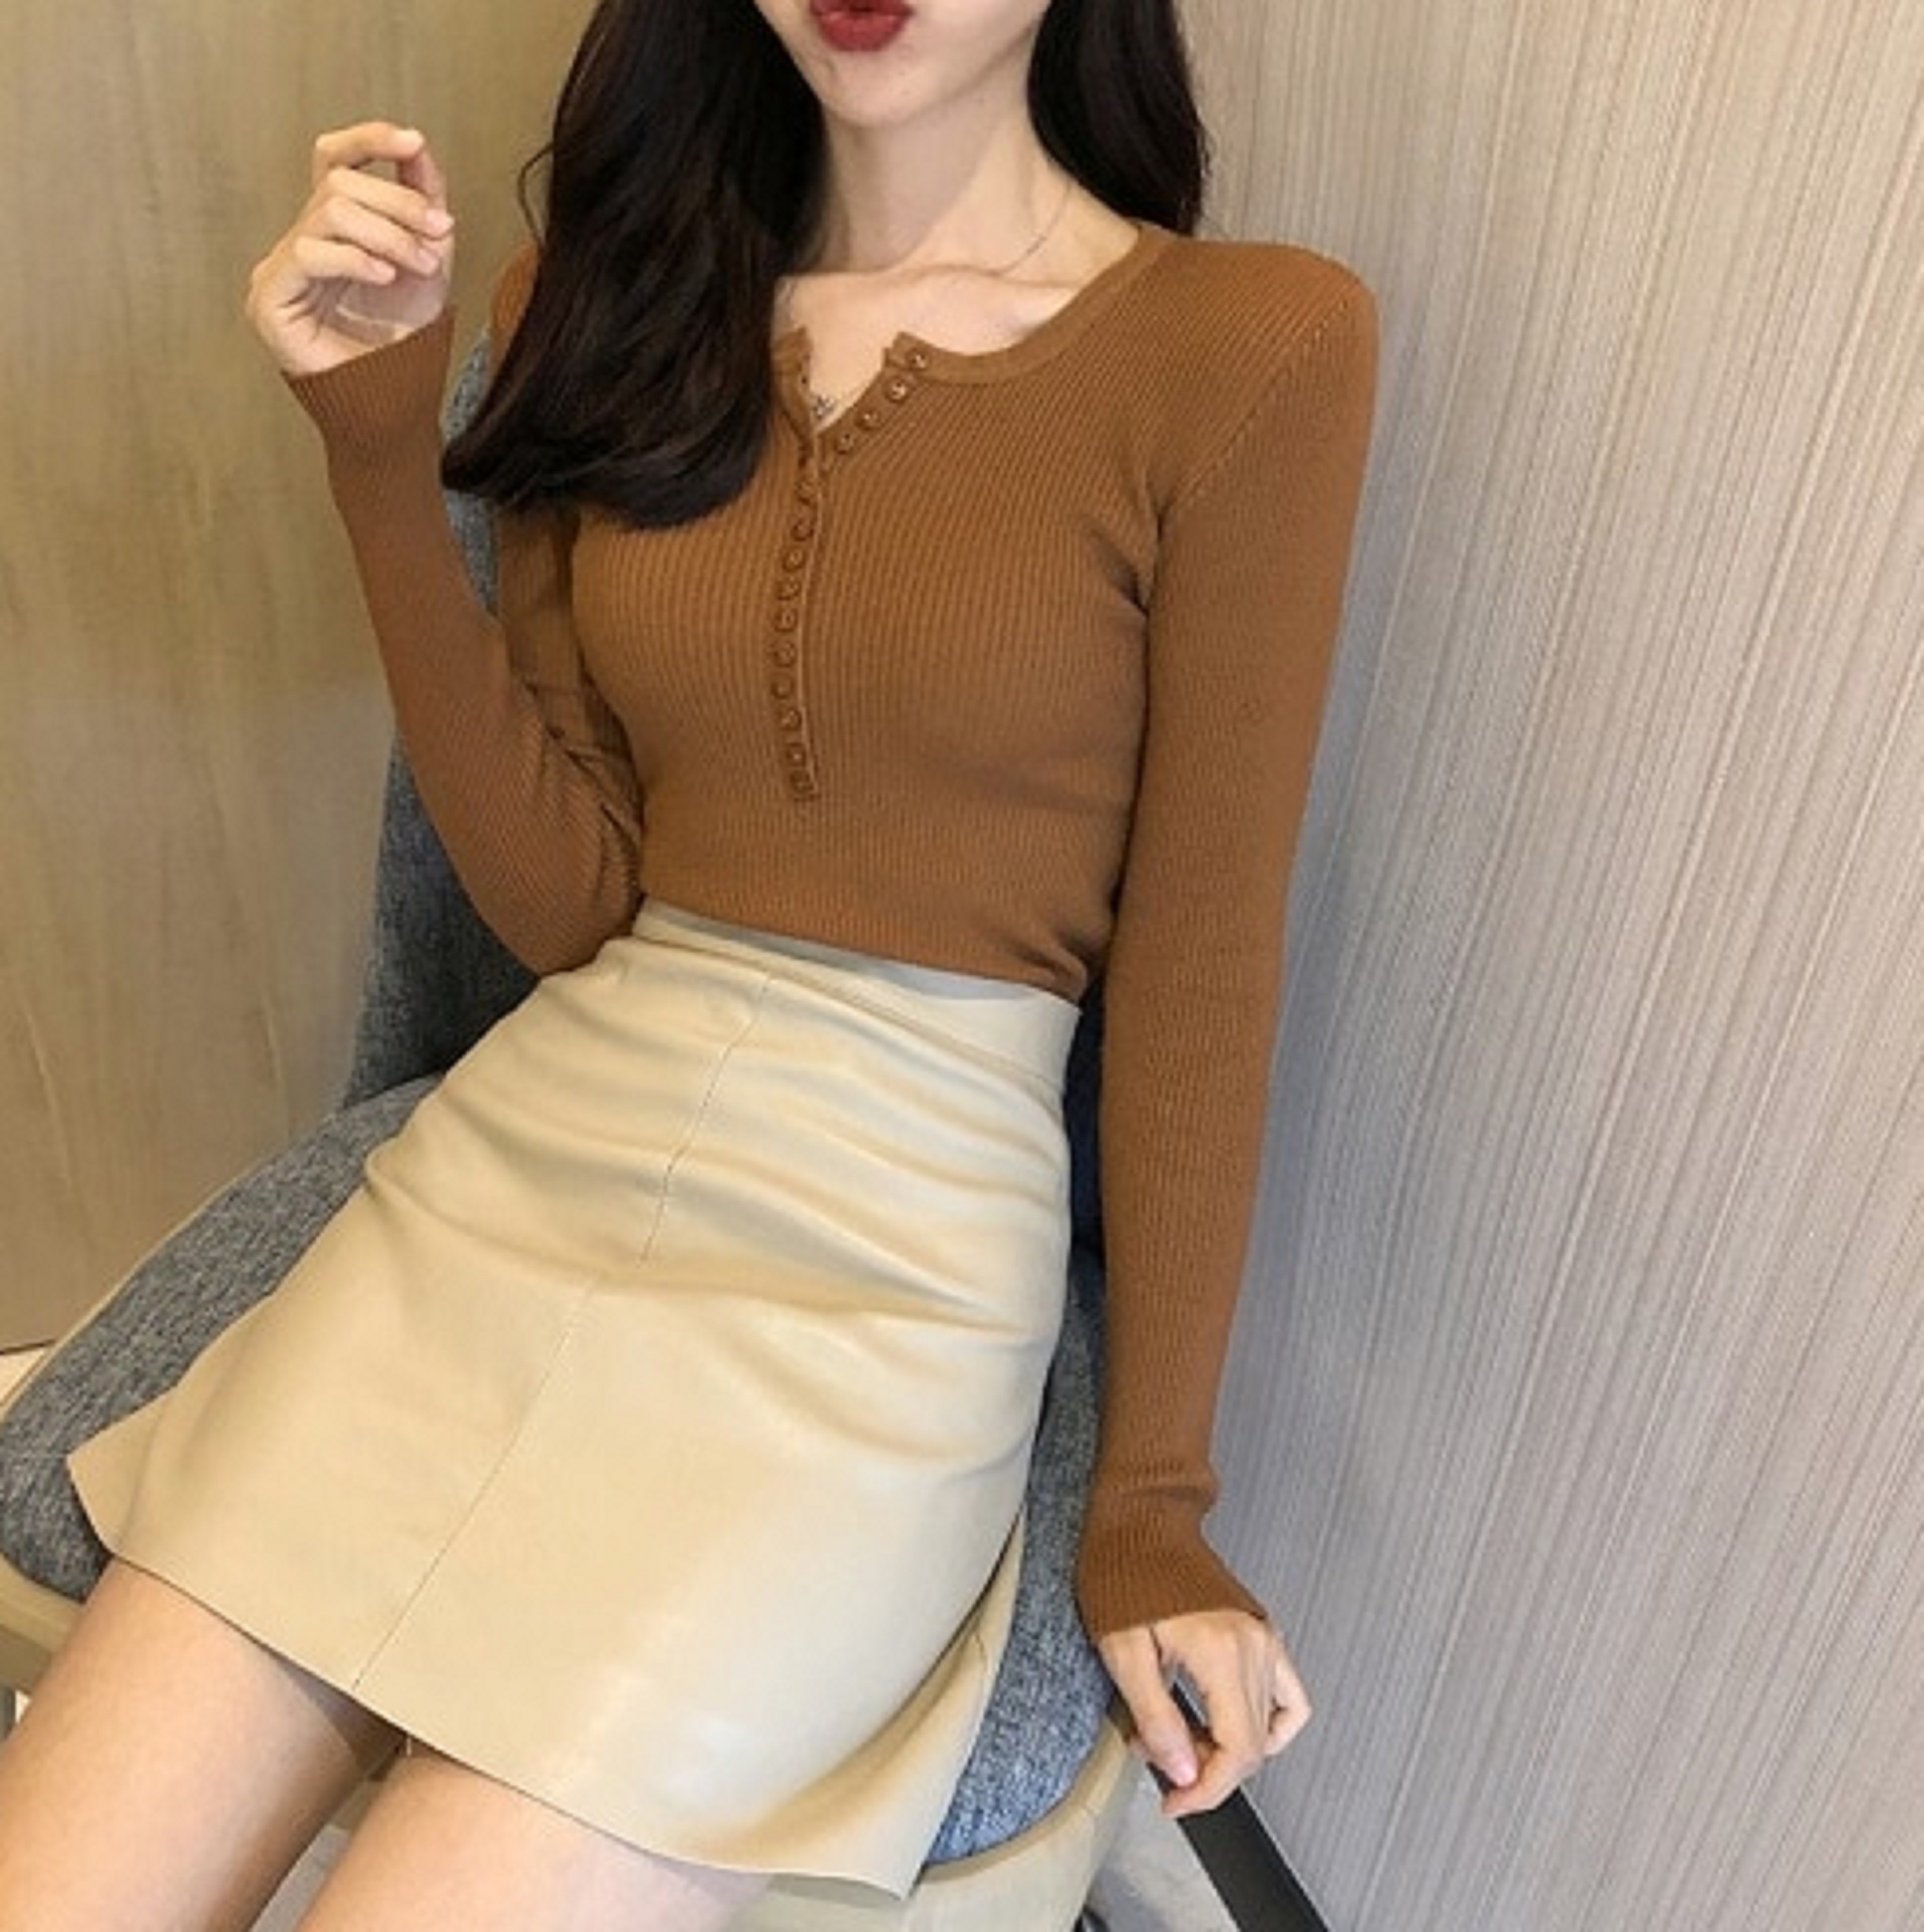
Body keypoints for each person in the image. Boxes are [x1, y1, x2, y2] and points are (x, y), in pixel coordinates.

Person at [0, 0, 1376, 1925]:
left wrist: (1155, 1504)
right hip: (529, 1161)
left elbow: (1207, 961)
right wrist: (383, 451)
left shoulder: (1252, 345)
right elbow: (574, 901)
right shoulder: (612, 302)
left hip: (891, 1257)